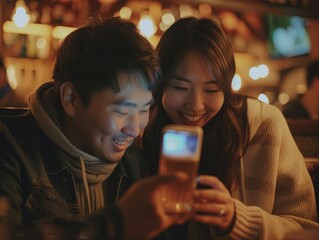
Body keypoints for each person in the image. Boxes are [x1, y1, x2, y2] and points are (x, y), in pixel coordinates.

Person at [0, 17, 190, 240]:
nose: (135, 128)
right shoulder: (10, 144)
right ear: (71, 99)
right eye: (121, 111)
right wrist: (116, 225)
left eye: (144, 109)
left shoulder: (135, 164)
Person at [143, 17, 319, 239]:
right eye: (180, 87)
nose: (196, 105)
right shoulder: (140, 127)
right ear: (159, 85)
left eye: (212, 90)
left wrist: (237, 220)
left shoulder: (264, 125)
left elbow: (308, 230)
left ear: (227, 88)